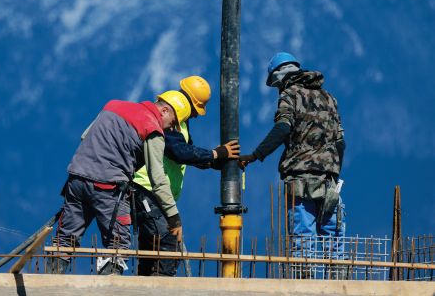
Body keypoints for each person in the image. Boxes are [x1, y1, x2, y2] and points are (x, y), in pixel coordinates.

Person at [47, 91, 192, 275]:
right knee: (118, 246)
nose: (170, 129)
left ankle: (49, 284)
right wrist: (174, 218)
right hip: (108, 188)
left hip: (77, 179)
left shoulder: (113, 106)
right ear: (164, 111)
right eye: (172, 123)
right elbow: (158, 179)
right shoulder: (153, 128)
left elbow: (86, 137)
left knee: (64, 241)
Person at [238, 52, 346, 277]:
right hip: (329, 181)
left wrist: (256, 155)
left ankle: (303, 287)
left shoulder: (290, 95)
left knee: (303, 238)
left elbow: (283, 128)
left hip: (300, 179)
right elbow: (340, 142)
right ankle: (339, 286)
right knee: (333, 238)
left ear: (279, 78)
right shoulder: (329, 98)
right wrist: (334, 170)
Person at [133, 76, 240, 276]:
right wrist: (216, 154)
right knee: (166, 240)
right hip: (147, 189)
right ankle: (162, 288)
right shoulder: (171, 119)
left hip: (156, 194)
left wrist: (217, 161)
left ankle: (146, 284)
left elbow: (187, 153)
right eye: (196, 111)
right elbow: (179, 152)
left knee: (152, 246)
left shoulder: (180, 121)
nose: (197, 116)